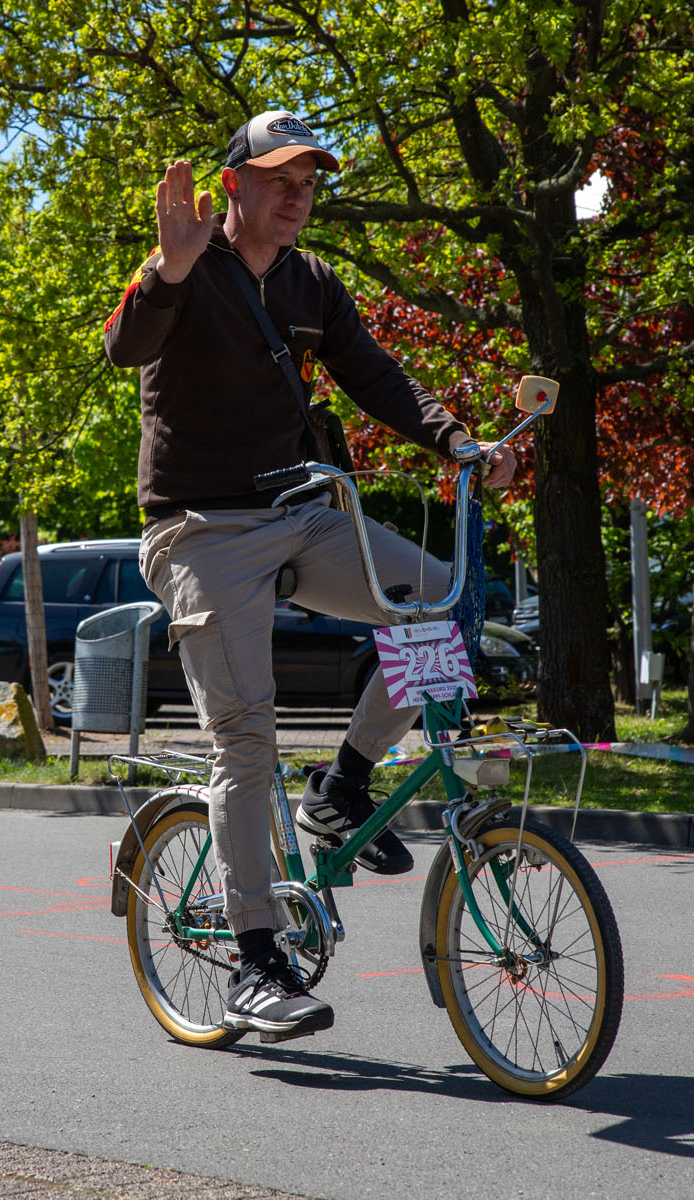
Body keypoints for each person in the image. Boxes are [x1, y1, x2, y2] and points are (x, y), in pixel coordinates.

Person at [103, 111, 517, 1037]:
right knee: (244, 740)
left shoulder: (309, 281)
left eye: (310, 181)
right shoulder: (184, 266)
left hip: (302, 516)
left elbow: (375, 373)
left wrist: (459, 443)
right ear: (234, 184)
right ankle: (255, 961)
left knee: (438, 607)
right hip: (200, 532)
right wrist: (166, 271)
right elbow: (125, 347)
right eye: (282, 177)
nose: (299, 195)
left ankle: (343, 788)